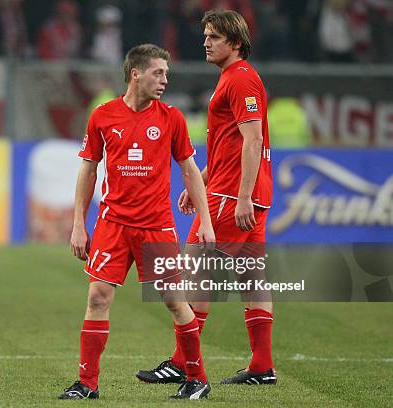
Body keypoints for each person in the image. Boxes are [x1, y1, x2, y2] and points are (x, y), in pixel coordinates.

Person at [59, 43, 216, 401]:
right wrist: (79, 224)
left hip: (155, 226)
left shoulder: (171, 118)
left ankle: (197, 377)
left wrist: (205, 219)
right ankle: (87, 384)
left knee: (175, 301)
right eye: (158, 73)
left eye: (166, 74)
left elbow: (190, 170)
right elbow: (88, 169)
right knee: (97, 298)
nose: (164, 80)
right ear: (136, 74)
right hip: (113, 224)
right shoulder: (103, 116)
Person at [136, 9, 275, 386]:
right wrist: (201, 180)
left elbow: (254, 139)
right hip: (236, 189)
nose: (206, 43)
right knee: (252, 278)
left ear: (234, 42)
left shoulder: (241, 79)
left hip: (234, 196)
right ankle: (262, 367)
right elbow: (230, 145)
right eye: (205, 36)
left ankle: (182, 362)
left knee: (197, 274)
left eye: (213, 36)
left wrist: (241, 195)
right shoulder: (232, 78)